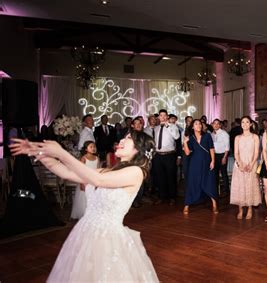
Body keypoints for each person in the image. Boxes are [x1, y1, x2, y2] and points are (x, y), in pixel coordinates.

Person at [9, 131, 159, 282]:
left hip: (107, 238)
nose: (121, 139)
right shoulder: (106, 170)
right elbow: (66, 172)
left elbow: (97, 180)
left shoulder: (136, 172)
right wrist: (38, 152)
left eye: (128, 138)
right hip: (84, 232)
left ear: (138, 148)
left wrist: (61, 153)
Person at [182, 119, 218, 214]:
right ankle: (187, 205)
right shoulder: (191, 137)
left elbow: (211, 149)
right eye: (196, 124)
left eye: (200, 124)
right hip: (195, 162)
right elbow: (187, 152)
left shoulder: (207, 136)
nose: (199, 125)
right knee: (192, 181)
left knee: (209, 181)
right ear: (193, 127)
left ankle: (214, 204)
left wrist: (213, 161)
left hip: (207, 161)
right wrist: (185, 142)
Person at [230, 116, 261, 219]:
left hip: (251, 163)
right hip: (240, 164)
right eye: (243, 122)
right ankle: (240, 209)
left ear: (251, 124)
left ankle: (249, 209)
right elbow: (236, 153)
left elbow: (256, 152)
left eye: (247, 122)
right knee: (240, 186)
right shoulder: (237, 138)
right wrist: (240, 164)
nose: (245, 124)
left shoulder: (255, 137)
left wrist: (251, 164)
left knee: (250, 185)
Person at [152, 109, 180, 205]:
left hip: (169, 155)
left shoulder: (173, 127)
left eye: (164, 115)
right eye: (161, 115)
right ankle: (161, 196)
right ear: (158, 117)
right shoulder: (156, 128)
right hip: (158, 155)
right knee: (160, 177)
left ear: (167, 117)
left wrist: (168, 126)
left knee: (171, 177)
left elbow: (176, 137)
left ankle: (172, 197)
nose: (163, 117)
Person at [71, 141, 99, 220]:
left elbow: (97, 170)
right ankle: (84, 213)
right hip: (85, 180)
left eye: (94, 147)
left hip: (93, 180)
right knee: (84, 198)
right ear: (86, 149)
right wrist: (81, 183)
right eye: (91, 147)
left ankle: (93, 214)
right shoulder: (83, 158)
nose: (93, 148)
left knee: (94, 197)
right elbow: (80, 172)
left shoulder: (97, 158)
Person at [211, 119, 230, 196]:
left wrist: (224, 157)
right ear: (212, 125)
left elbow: (227, 147)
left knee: (223, 173)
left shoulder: (224, 133)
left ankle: (226, 191)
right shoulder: (211, 134)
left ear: (220, 125)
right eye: (214, 123)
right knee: (215, 174)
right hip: (214, 155)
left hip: (222, 155)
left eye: (217, 124)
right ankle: (215, 190)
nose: (216, 125)